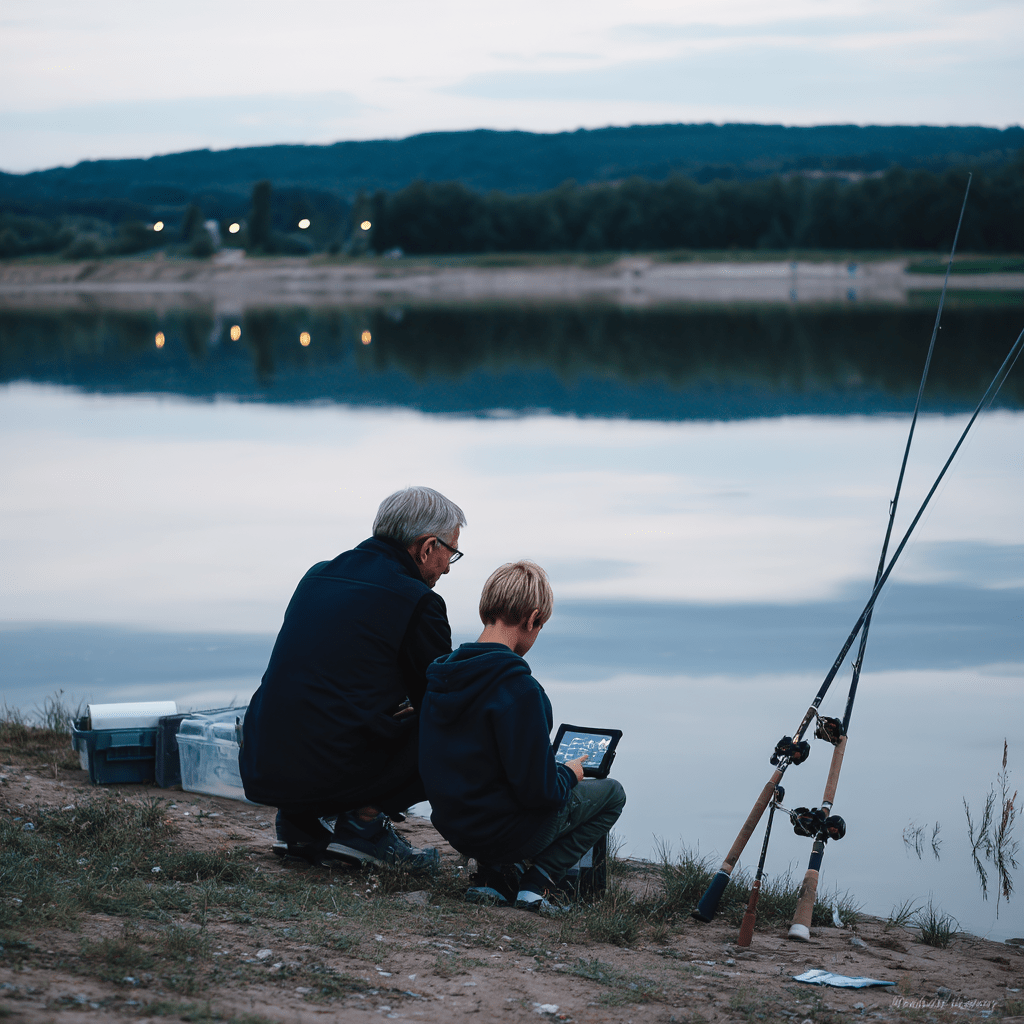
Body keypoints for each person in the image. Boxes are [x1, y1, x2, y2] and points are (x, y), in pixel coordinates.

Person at [240, 486, 467, 870]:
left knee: (325, 712)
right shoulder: (418, 600)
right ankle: (364, 824)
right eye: (450, 554)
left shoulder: (318, 575)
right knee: (459, 721)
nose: (447, 567)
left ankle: (300, 822)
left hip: (264, 760)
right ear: (427, 547)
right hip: (331, 766)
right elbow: (438, 700)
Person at [419, 560, 626, 912]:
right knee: (611, 794)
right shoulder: (521, 690)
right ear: (532, 620)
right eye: (540, 625)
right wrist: (567, 773)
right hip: (506, 834)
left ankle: (495, 878)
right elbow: (541, 793)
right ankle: (536, 883)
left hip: (457, 828)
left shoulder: (442, 677)